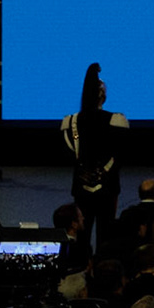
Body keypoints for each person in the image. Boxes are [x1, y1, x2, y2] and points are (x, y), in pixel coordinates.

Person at [61, 62, 128, 251]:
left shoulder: (70, 122)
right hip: (108, 187)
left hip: (81, 186)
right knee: (106, 234)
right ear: (102, 95)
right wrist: (103, 170)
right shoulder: (117, 121)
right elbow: (121, 154)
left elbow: (69, 154)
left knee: (81, 233)